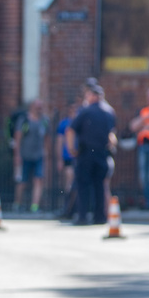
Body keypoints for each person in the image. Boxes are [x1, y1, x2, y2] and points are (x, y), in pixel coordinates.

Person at [65, 82, 116, 225]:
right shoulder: (109, 112)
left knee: (83, 185)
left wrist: (71, 149)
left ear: (93, 96)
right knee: (99, 186)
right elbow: (112, 134)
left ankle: (82, 216)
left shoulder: (85, 111)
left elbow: (71, 130)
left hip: (86, 153)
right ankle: (100, 217)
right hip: (102, 153)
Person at [13, 98, 49, 213]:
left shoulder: (44, 121)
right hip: (25, 155)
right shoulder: (24, 120)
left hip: (39, 155)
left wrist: (46, 153)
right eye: (37, 107)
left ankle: (35, 206)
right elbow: (17, 138)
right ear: (32, 107)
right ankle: (18, 204)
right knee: (22, 181)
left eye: (41, 107)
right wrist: (17, 155)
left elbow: (47, 139)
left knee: (38, 180)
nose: (39, 110)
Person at [55, 102, 78, 219]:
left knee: (75, 183)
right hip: (68, 157)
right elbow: (59, 142)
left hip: (79, 157)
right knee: (69, 182)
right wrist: (59, 159)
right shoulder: (64, 124)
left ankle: (72, 208)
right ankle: (67, 207)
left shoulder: (80, 122)